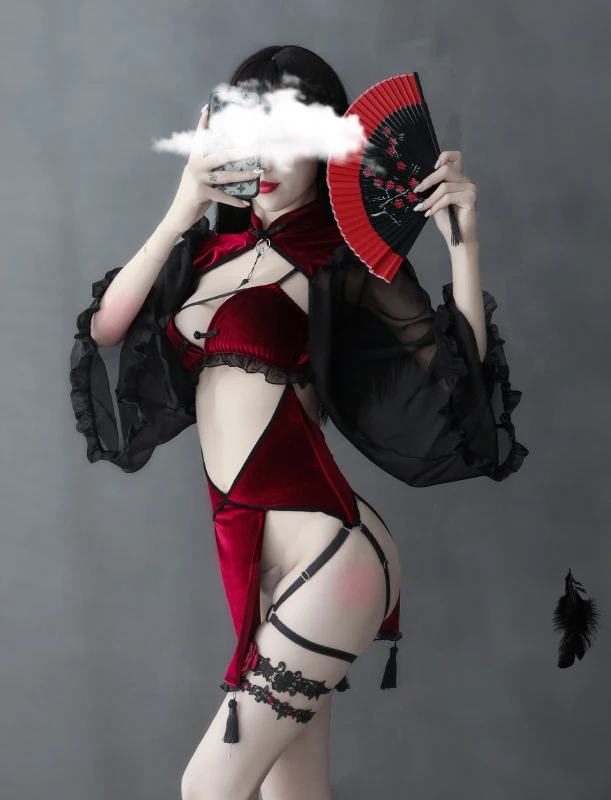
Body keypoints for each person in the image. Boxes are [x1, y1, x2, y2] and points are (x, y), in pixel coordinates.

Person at [69, 44, 527, 800]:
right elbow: (108, 328)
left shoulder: (341, 260)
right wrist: (184, 206)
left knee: (208, 787)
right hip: (259, 567)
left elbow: (460, 385)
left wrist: (464, 249)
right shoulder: (204, 256)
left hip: (331, 559)